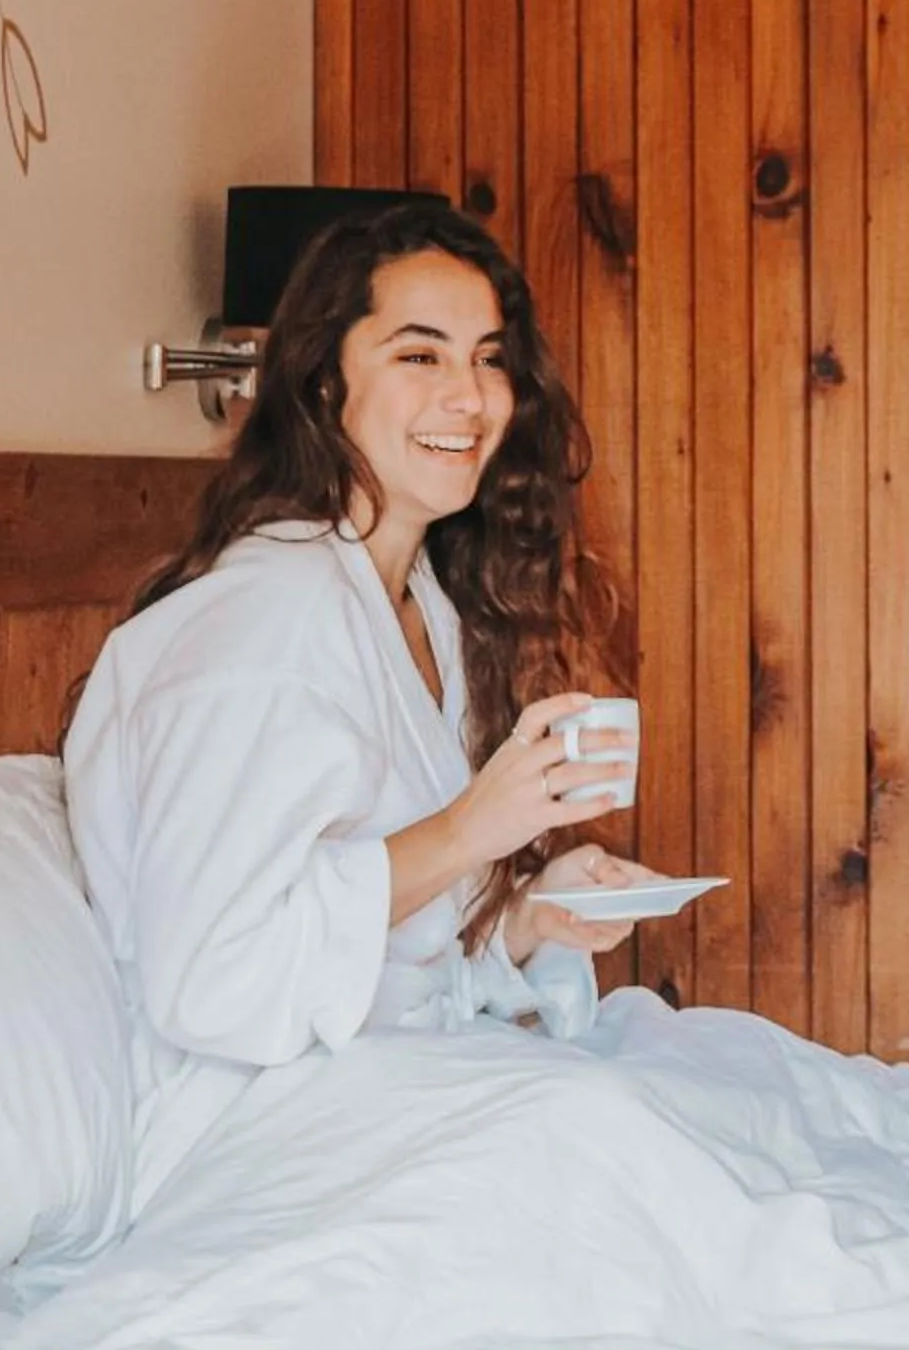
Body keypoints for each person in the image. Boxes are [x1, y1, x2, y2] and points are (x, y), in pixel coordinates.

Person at [61, 198, 658, 1199]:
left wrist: (527, 921)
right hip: (254, 1132)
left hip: (382, 1080)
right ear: (326, 376)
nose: (468, 396)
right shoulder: (265, 623)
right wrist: (473, 828)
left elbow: (391, 954)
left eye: (490, 358)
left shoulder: (422, 601)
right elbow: (213, 977)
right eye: (420, 356)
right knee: (619, 1157)